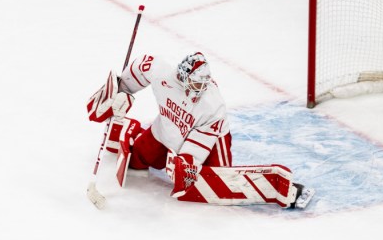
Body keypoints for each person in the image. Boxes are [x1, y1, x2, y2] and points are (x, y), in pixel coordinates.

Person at [87, 51, 313, 208]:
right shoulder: (158, 71)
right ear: (184, 76)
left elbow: (196, 149)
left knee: (217, 179)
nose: (201, 88)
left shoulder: (213, 106)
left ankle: (285, 190)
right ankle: (138, 135)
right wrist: (120, 93)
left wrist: (185, 164)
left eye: (205, 83)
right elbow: (130, 79)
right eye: (196, 83)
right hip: (167, 127)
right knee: (136, 161)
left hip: (211, 138)